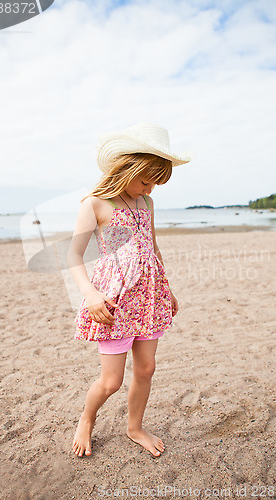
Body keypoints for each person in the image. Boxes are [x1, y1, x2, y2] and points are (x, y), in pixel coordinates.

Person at [67, 122, 190, 458]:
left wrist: (168, 288)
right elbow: (73, 256)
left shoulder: (146, 205)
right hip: (114, 302)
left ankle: (134, 427)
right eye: (146, 180)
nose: (150, 189)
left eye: (156, 183)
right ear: (126, 168)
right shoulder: (96, 204)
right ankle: (86, 420)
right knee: (111, 382)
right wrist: (91, 295)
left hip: (150, 297)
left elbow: (153, 247)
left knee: (147, 368)